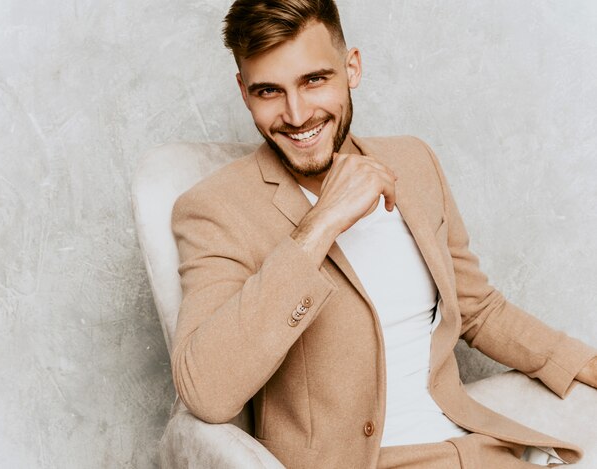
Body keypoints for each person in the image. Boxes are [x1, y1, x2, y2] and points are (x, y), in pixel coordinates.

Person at [169, 1, 597, 467]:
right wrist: (322, 221)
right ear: (243, 92)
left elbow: (478, 309)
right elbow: (206, 392)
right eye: (269, 91)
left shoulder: (414, 161)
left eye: (314, 80)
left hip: (479, 448)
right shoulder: (215, 209)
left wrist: (583, 364)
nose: (296, 114)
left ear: (351, 67)